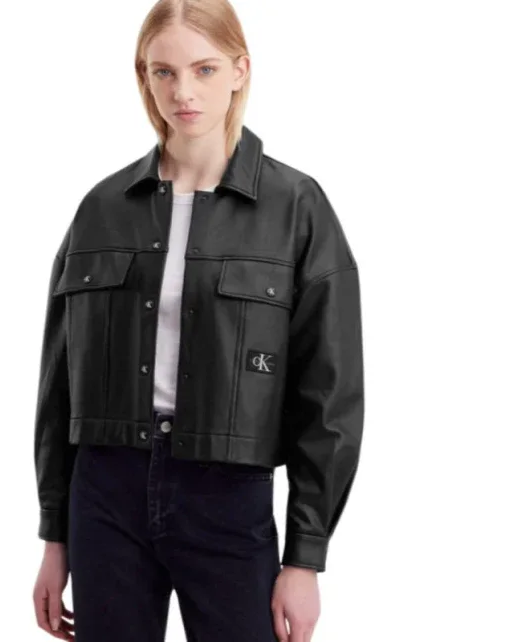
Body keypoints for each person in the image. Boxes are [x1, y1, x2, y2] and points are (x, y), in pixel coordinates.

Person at [31, 1, 365, 640]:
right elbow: (58, 386)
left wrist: (305, 558)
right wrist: (55, 535)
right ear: (145, 76)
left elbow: (330, 396)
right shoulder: (101, 208)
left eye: (204, 69)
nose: (182, 92)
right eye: (164, 72)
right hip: (105, 496)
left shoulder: (297, 207)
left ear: (240, 70)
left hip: (229, 498)